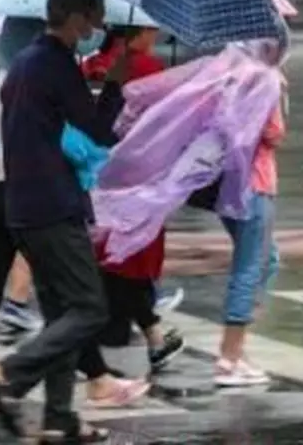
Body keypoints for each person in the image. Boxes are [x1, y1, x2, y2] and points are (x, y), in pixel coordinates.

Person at [0, 0, 127, 441]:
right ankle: (9, 373)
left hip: (23, 205)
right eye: (97, 18)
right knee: (89, 309)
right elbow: (100, 129)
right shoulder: (56, 64)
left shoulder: (24, 62)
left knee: (63, 311)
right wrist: (117, 79)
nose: (100, 29)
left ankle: (59, 417)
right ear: (77, 18)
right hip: (51, 205)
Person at [80, 26, 186, 370]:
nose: (155, 36)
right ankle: (152, 331)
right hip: (138, 180)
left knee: (113, 258)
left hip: (100, 176)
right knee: (128, 260)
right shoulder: (145, 68)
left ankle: (136, 329)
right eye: (151, 30)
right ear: (136, 32)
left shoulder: (92, 64)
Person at [214, 84, 284, 386]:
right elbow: (273, 133)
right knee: (250, 267)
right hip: (254, 184)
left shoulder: (229, 81)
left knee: (267, 260)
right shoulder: (263, 84)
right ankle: (229, 357)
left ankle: (237, 349)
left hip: (229, 186)